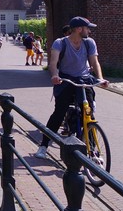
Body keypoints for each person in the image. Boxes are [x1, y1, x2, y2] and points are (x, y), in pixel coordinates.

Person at [35, 17, 109, 158]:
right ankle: (43, 146)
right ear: (79, 29)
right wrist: (55, 76)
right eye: (87, 28)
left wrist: (100, 79)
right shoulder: (60, 43)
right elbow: (53, 63)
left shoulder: (89, 43)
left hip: (84, 79)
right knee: (59, 113)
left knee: (88, 113)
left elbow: (94, 62)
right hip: (66, 80)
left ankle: (92, 151)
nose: (89, 31)